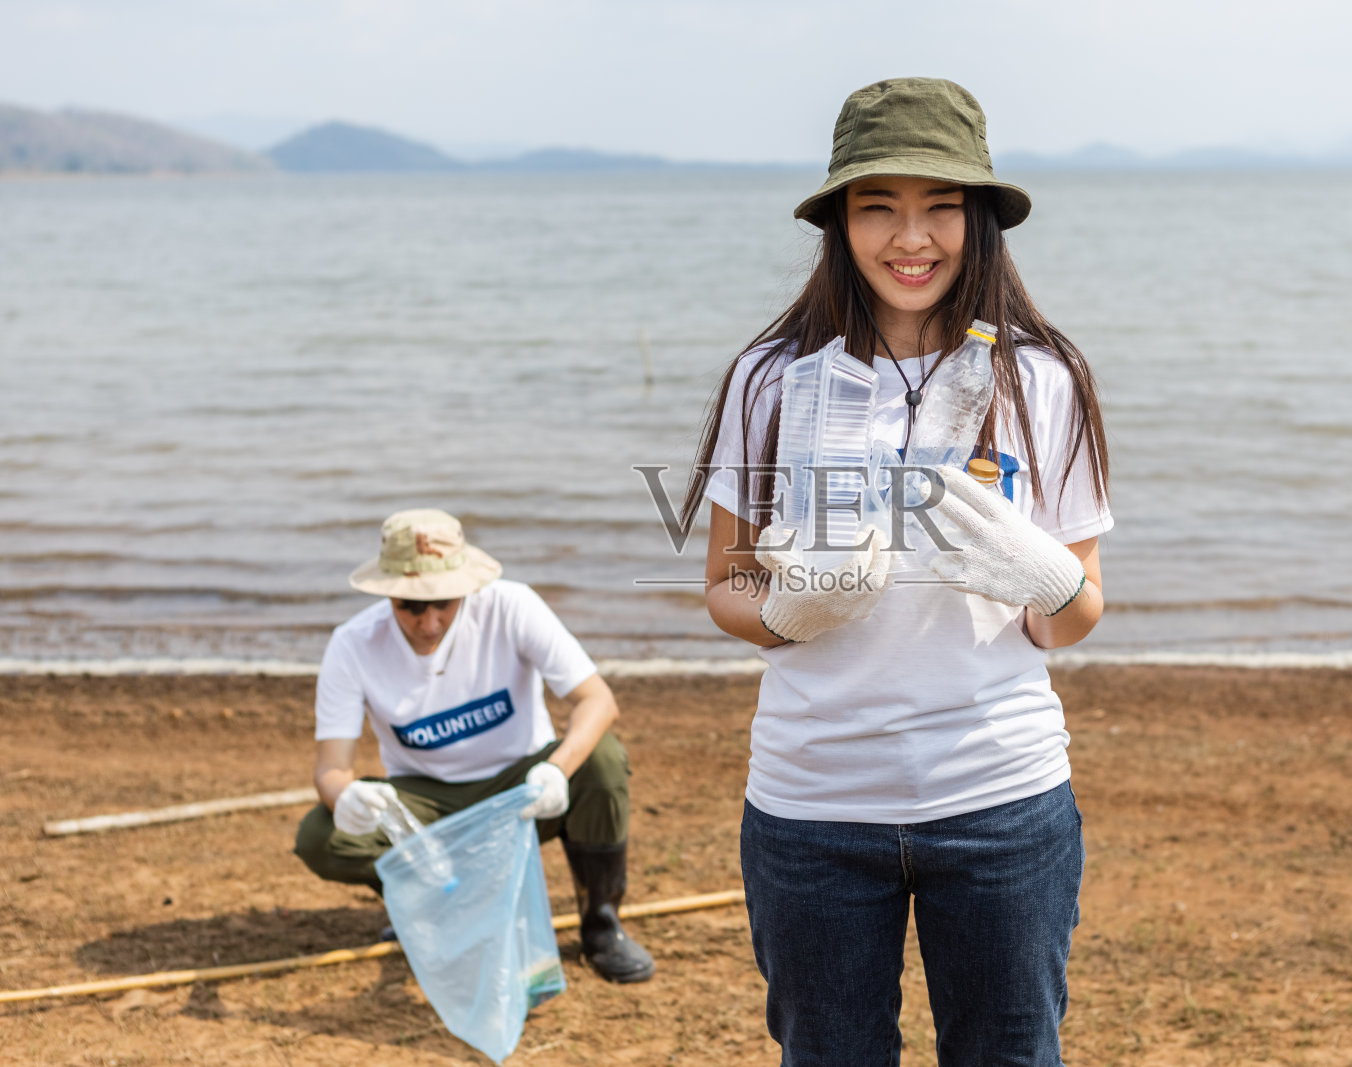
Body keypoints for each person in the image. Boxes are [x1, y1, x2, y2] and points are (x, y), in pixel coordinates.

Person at [681, 78, 1112, 1064]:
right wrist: (790, 610)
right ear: (837, 221)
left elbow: (1078, 607)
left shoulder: (1043, 376)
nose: (908, 238)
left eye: (939, 206)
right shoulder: (771, 376)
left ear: (981, 220)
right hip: (813, 805)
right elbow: (723, 582)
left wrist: (1040, 577)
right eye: (877, 206)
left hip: (1001, 797)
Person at [292, 507, 655, 984]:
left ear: (467, 587)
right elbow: (330, 769)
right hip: (431, 802)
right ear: (387, 595)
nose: (430, 621)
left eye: (444, 602)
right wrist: (346, 796)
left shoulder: (512, 606)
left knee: (604, 759)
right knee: (322, 836)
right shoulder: (353, 645)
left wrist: (556, 771)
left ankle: (601, 924)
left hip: (522, 788)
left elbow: (597, 700)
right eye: (411, 606)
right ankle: (429, 905)